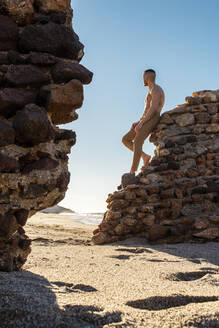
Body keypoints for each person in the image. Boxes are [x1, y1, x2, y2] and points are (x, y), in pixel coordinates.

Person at [122, 69, 165, 174]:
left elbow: (153, 109)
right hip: (146, 118)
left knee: (137, 141)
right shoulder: (149, 91)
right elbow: (146, 110)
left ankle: (132, 171)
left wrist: (141, 124)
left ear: (147, 77)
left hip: (154, 117)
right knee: (125, 139)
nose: (142, 79)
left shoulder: (156, 89)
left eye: (143, 77)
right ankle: (144, 156)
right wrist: (139, 121)